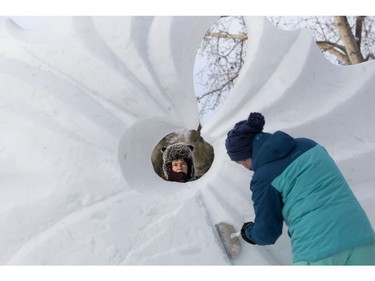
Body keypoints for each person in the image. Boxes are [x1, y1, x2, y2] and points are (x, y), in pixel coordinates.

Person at [225, 112, 375, 265]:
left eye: (241, 163)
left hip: (317, 251)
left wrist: (248, 232)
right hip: (363, 240)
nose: (245, 167)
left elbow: (267, 233)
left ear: (246, 154)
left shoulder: (263, 177)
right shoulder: (310, 145)